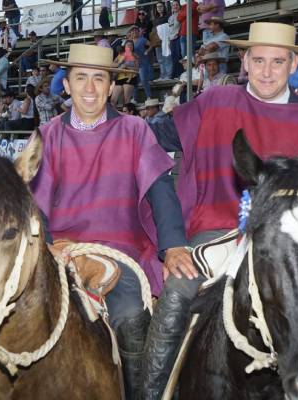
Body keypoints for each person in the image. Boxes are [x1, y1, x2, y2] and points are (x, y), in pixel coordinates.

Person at [143, 22, 298, 400]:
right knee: (177, 292)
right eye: (259, 60)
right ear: (245, 60)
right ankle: (150, 394)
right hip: (219, 230)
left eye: (278, 61)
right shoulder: (216, 102)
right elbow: (155, 135)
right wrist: (113, 127)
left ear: (294, 64)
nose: (267, 71)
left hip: (293, 244)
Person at [32, 44, 188, 400]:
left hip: (120, 251)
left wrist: (174, 244)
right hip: (62, 251)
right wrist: (49, 244)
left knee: (132, 317)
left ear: (111, 84)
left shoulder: (135, 130)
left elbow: (161, 191)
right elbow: (35, 206)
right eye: (81, 78)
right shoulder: (47, 136)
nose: (90, 88)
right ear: (66, 85)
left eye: (99, 79)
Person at [168, 0, 183, 79]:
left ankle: (179, 74)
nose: (175, 6)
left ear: (179, 6)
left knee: (178, 56)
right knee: (173, 57)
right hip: (171, 39)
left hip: (178, 37)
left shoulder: (181, 14)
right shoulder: (170, 17)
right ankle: (175, 74)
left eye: (177, 5)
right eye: (173, 5)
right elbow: (169, 29)